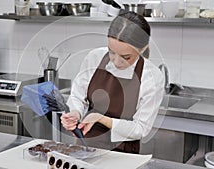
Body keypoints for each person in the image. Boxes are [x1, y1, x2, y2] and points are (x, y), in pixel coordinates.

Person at [60, 11, 164, 154]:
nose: (116, 61)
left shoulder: (151, 77)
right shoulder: (94, 58)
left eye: (126, 57)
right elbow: (78, 96)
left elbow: (141, 128)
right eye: (111, 52)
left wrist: (101, 118)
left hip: (123, 152)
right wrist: (75, 113)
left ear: (143, 49)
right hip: (86, 146)